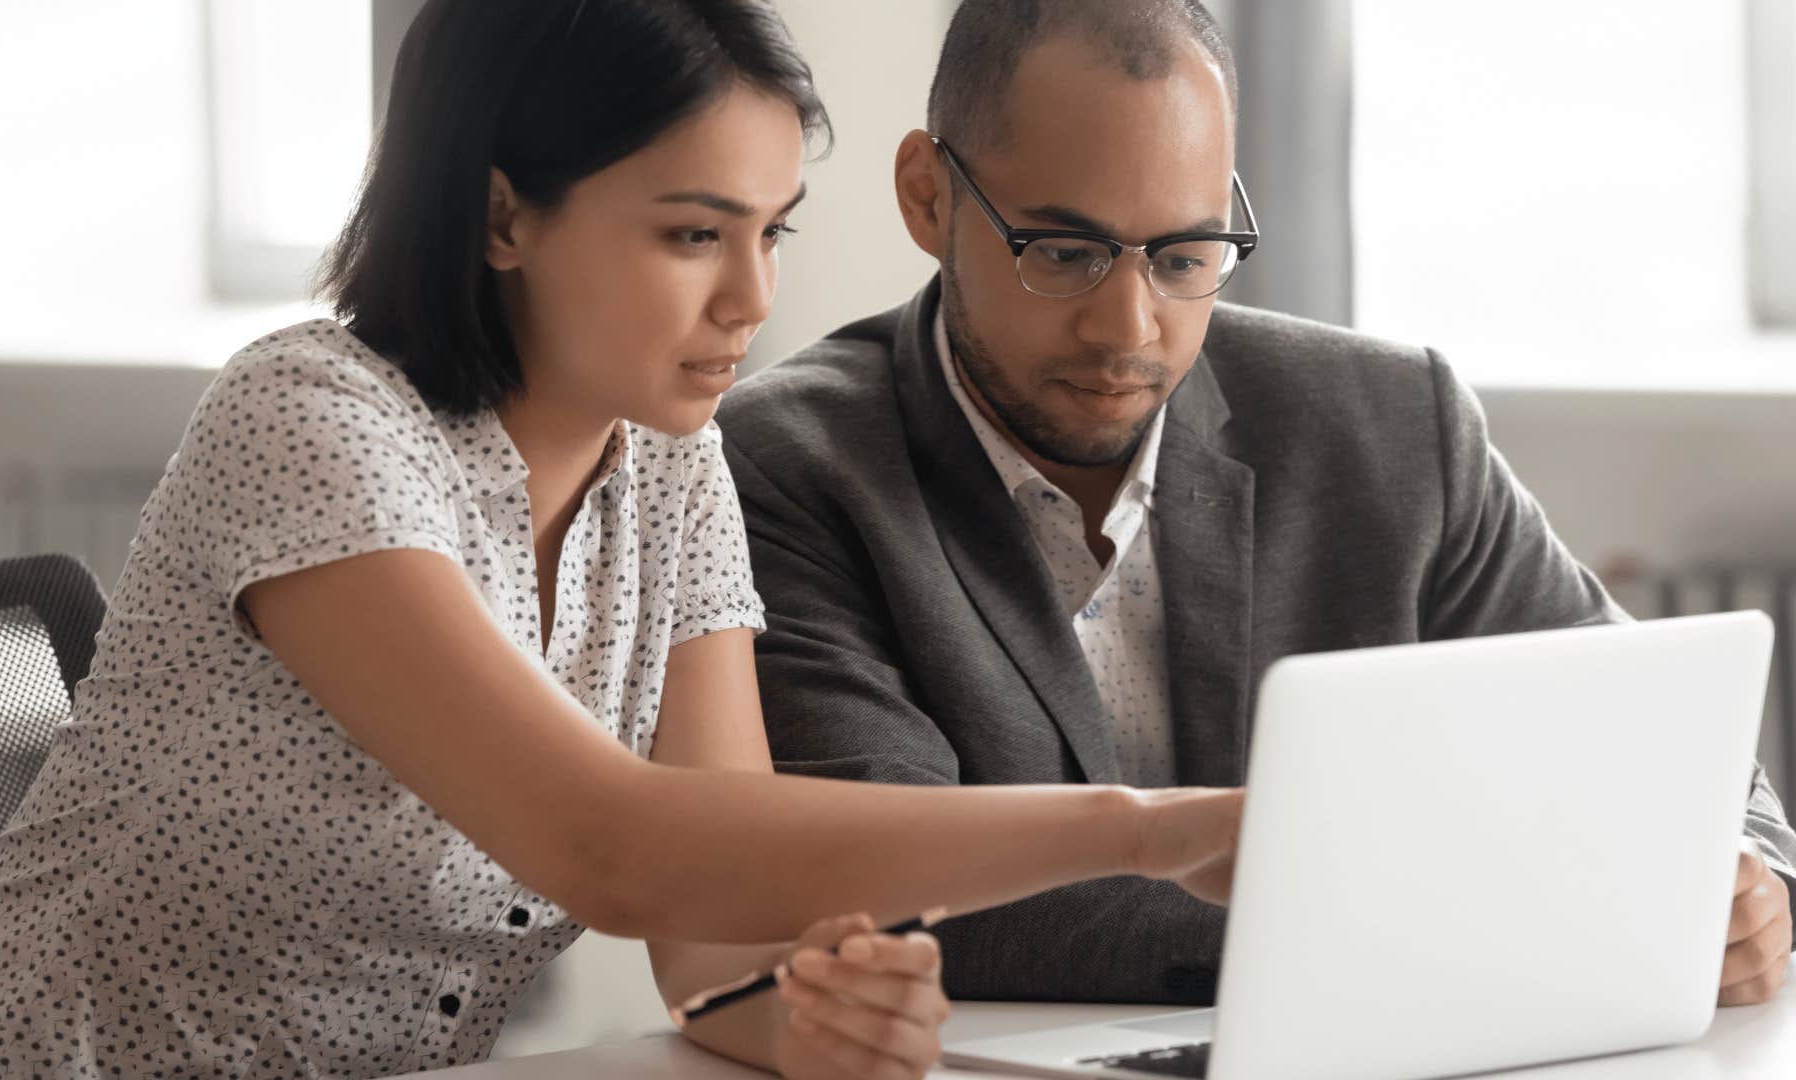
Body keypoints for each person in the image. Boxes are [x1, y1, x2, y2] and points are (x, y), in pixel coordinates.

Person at [0, 3, 1249, 1077]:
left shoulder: (673, 463)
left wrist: (800, 1022)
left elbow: (711, 933)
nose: (752, 298)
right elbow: (612, 845)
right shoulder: (308, 424)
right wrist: (1139, 831)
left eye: (772, 231)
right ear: (500, 215)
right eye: (693, 234)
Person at [717, 0, 1796, 1009]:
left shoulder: (1393, 422)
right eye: (1067, 253)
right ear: (928, 196)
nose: (1129, 329)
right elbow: (888, 900)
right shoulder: (788, 468)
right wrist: (1485, 908)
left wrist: (1747, 880)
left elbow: (1660, 750)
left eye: (1186, 256)